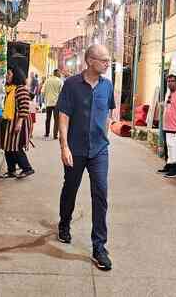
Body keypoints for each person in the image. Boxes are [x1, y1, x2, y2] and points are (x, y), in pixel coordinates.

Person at [57, 44, 115, 271]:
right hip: (76, 149)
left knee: (100, 193)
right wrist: (64, 146)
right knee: (70, 188)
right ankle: (64, 224)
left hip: (99, 150)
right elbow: (63, 116)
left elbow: (108, 113)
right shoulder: (71, 85)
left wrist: (105, 136)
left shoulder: (108, 86)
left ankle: (99, 247)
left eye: (108, 60)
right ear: (90, 60)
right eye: (104, 60)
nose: (107, 63)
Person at [0, 66, 35, 179]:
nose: (7, 76)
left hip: (18, 122)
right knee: (7, 146)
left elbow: (24, 107)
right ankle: (11, 170)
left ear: (15, 76)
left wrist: (19, 123)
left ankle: (27, 168)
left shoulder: (20, 89)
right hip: (8, 121)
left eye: (9, 74)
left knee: (15, 146)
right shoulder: (10, 89)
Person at [157, 74, 176, 178]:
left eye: (172, 81)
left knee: (175, 149)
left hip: (175, 127)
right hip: (166, 126)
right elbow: (169, 106)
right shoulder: (169, 94)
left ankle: (175, 170)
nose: (170, 83)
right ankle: (168, 167)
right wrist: (163, 105)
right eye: (168, 81)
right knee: (168, 149)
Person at [42, 69, 63, 140]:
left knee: (48, 118)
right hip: (56, 103)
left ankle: (47, 133)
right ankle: (55, 135)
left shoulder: (47, 80)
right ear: (57, 73)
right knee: (56, 120)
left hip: (48, 102)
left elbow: (43, 91)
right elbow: (62, 92)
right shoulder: (60, 81)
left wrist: (45, 99)